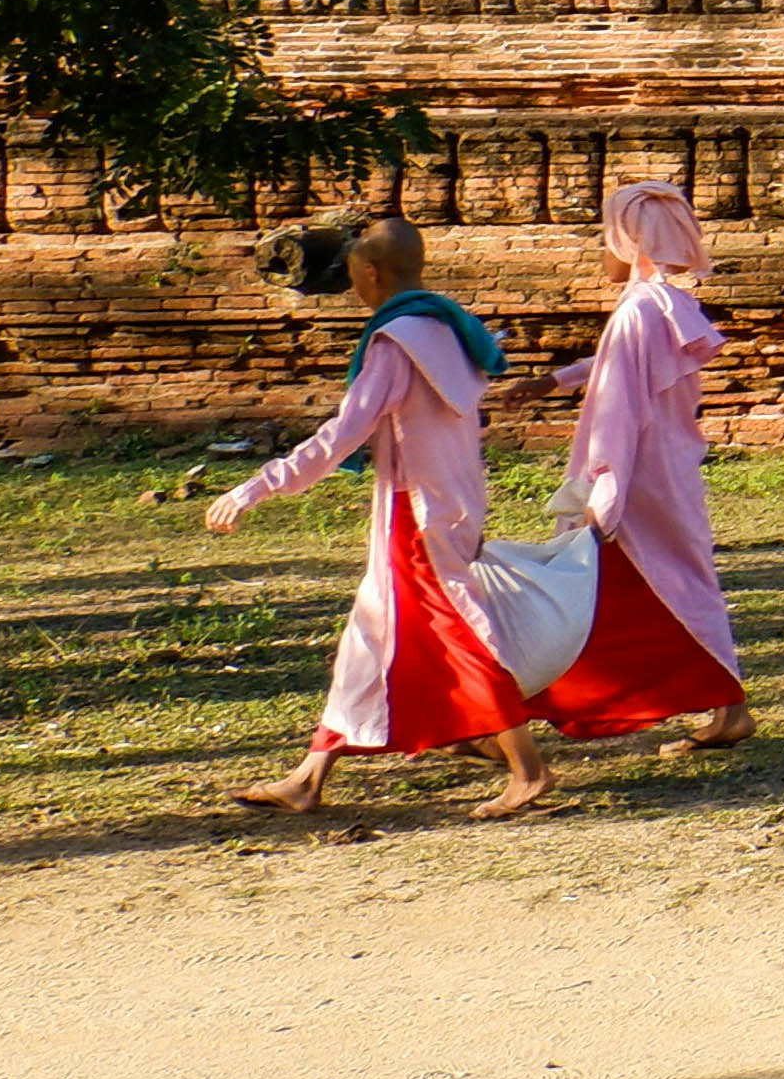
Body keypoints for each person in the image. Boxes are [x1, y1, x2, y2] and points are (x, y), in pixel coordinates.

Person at [207, 211, 592, 822]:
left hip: (415, 513)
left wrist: (260, 485)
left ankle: (529, 769)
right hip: (455, 499)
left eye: (353, 270)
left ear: (368, 271)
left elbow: (344, 433)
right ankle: (310, 774)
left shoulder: (394, 342)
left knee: (456, 630)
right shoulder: (454, 331)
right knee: (369, 634)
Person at [536, 179, 749, 750]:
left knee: (674, 580)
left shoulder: (639, 312)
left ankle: (725, 707)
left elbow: (619, 409)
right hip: (667, 465)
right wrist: (555, 380)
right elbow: (618, 367)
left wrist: (603, 498)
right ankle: (706, 703)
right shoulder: (669, 306)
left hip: (638, 472)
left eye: (605, 238)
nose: (601, 252)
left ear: (629, 242)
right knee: (676, 577)